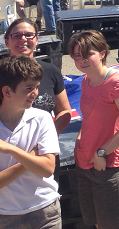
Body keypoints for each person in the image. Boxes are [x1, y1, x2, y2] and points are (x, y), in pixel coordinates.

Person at [69, 30, 119, 229]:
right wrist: (79, 141)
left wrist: (102, 152)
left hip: (109, 165)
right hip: (85, 162)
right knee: (98, 222)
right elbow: (89, 118)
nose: (82, 60)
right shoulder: (85, 81)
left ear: (102, 53)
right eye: (77, 56)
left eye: (88, 54)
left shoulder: (118, 83)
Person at [0, 56, 61, 228]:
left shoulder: (42, 118)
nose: (36, 93)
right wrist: (30, 158)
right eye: (29, 88)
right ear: (7, 92)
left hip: (45, 212)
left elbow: (48, 168)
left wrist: (12, 150)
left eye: (37, 87)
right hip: (5, 216)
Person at [3, 19, 71, 134]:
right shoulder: (1, 72)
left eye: (29, 35)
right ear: (7, 42)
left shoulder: (51, 71)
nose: (23, 39)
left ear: (37, 40)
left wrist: (50, 134)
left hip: (43, 147)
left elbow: (64, 111)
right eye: (17, 35)